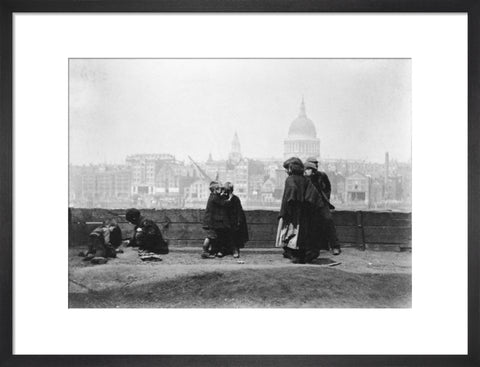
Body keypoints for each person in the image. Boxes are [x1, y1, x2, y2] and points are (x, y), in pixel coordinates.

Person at [275, 157, 310, 263]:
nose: (286, 171)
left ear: (291, 168)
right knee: (300, 232)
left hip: (291, 211)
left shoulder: (290, 179)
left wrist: (286, 209)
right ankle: (300, 254)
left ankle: (291, 254)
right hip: (303, 211)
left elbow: (290, 194)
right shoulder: (305, 179)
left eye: (287, 168)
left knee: (289, 231)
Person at [305, 157, 341, 255]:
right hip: (310, 205)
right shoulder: (305, 178)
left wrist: (326, 199)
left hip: (321, 203)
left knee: (328, 219)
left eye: (316, 164)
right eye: (312, 164)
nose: (315, 166)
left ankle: (335, 246)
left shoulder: (321, 175)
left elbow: (328, 188)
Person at [201, 181, 233, 258]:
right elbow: (224, 203)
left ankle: (207, 251)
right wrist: (230, 197)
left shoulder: (213, 196)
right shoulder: (215, 198)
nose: (221, 190)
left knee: (211, 236)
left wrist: (221, 194)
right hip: (210, 222)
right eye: (219, 189)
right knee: (210, 237)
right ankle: (204, 252)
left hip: (209, 221)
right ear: (215, 190)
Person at [223, 182, 249, 258]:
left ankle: (235, 250)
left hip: (233, 221)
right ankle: (224, 250)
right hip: (225, 221)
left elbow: (239, 211)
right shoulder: (223, 198)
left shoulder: (235, 199)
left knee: (234, 234)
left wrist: (239, 221)